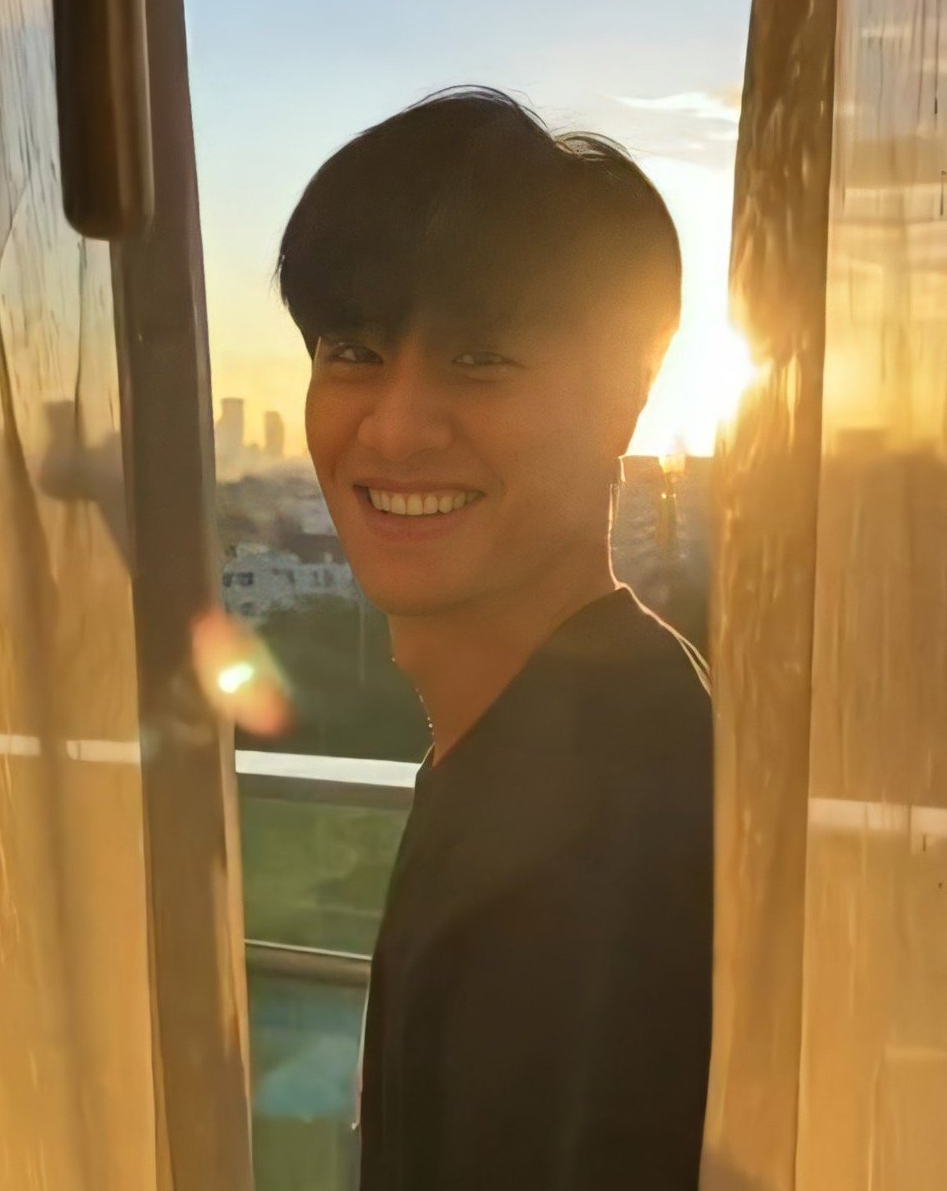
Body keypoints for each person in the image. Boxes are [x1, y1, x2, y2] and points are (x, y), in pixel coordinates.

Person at [277, 87, 713, 1191]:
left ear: (625, 399)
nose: (396, 427)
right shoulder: (562, 734)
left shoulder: (602, 841)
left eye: (481, 360)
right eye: (354, 350)